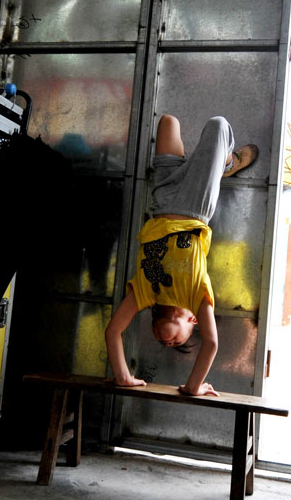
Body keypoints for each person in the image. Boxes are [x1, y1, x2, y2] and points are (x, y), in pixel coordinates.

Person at [104, 114, 258, 396]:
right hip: (194, 208)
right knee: (218, 125)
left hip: (162, 200)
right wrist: (193, 387)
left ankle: (203, 166)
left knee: (168, 122)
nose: (167, 342)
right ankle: (225, 163)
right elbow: (211, 345)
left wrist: (124, 376)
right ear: (193, 322)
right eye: (177, 343)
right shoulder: (196, 297)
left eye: (165, 344)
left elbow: (113, 332)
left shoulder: (144, 293)